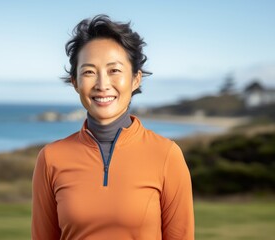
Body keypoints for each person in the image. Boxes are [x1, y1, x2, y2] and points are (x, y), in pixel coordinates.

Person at [32, 14, 194, 240]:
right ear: (75, 82)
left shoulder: (167, 155)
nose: (102, 84)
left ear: (136, 79)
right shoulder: (50, 159)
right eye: (89, 72)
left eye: (114, 70)